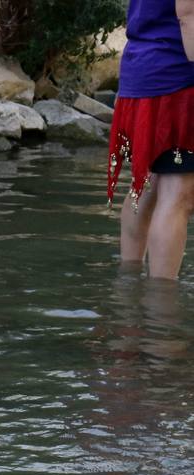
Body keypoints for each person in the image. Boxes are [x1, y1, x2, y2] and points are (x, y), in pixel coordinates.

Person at [109, 0, 194, 279]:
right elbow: (188, 14)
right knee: (178, 193)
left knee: (146, 183)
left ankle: (129, 279)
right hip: (177, 84)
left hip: (142, 75)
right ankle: (162, 304)